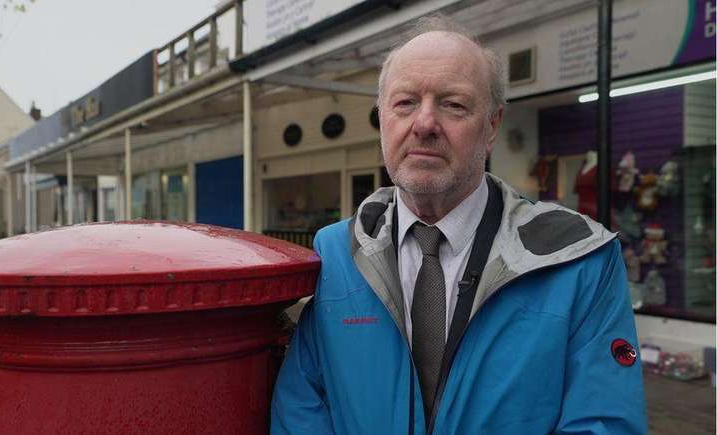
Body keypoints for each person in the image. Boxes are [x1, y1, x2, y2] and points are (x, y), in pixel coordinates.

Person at [271, 14, 646, 435]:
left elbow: (604, 423)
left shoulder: (580, 259)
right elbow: (302, 406)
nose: (425, 124)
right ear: (383, 119)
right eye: (405, 102)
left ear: (492, 126)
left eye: (453, 104)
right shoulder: (337, 252)